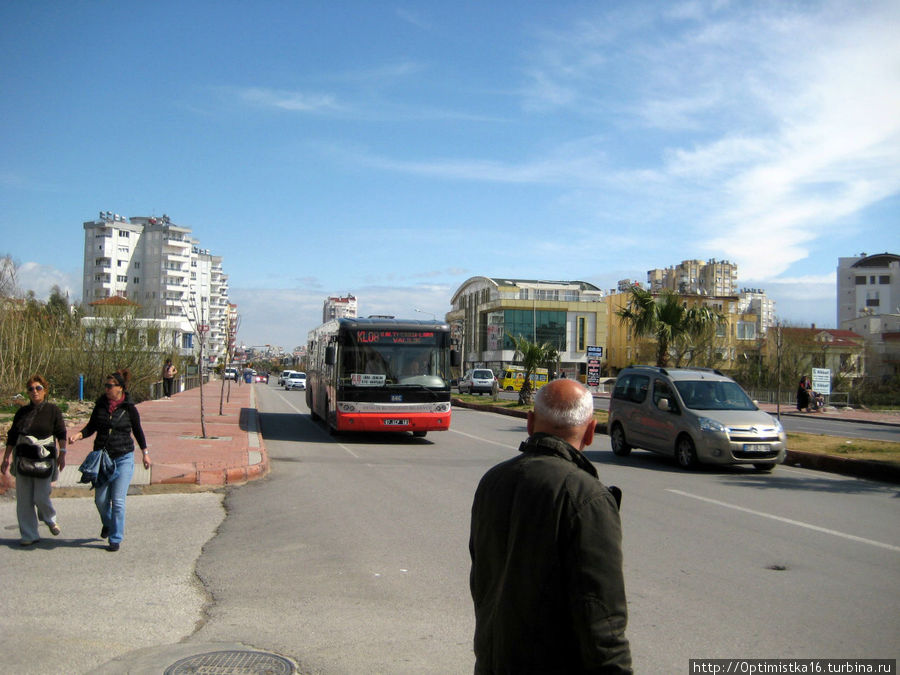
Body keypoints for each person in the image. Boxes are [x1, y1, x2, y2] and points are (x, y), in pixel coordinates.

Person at [469, 378, 632, 673]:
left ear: (530, 422)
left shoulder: (493, 481)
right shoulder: (587, 497)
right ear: (592, 431)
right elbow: (602, 617)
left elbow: (482, 577)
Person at [68, 369, 150, 552]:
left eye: (110, 386)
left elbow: (138, 431)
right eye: (105, 386)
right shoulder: (100, 406)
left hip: (123, 457)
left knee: (118, 501)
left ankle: (115, 538)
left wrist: (145, 453)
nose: (106, 389)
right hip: (103, 458)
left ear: (120, 388)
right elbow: (91, 427)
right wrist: (79, 435)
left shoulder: (129, 408)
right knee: (100, 500)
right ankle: (108, 523)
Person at [1, 375, 67, 545]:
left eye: (38, 388)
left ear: (45, 390)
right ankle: (29, 535)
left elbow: (61, 433)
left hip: (45, 460)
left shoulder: (53, 410)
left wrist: (62, 454)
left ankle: (49, 518)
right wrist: (6, 457)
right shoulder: (22, 412)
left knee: (40, 496)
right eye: (31, 389)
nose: (34, 392)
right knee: (23, 499)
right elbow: (12, 436)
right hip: (23, 458)